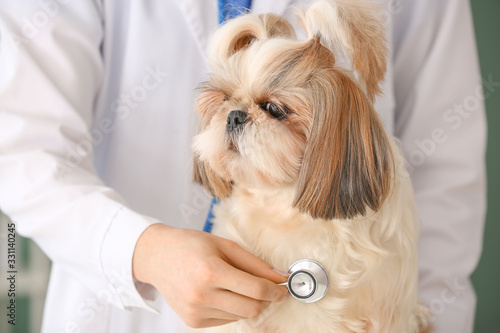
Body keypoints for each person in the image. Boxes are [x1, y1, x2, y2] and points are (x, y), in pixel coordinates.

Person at [0, 0, 486, 332]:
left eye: (273, 110)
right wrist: (140, 251)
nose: (237, 120)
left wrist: (430, 317)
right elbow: (22, 144)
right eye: (223, 105)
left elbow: (445, 164)